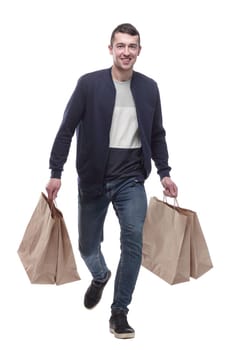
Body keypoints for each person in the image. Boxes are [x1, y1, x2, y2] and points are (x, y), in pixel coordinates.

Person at [46, 23, 178, 339]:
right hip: (93, 178)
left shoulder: (149, 88)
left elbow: (157, 133)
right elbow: (66, 129)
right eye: (120, 46)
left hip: (130, 179)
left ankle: (119, 311)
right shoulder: (89, 85)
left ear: (139, 51)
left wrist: (164, 172)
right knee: (87, 246)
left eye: (132, 46)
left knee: (133, 240)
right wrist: (55, 172)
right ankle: (101, 274)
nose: (126, 52)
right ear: (110, 49)